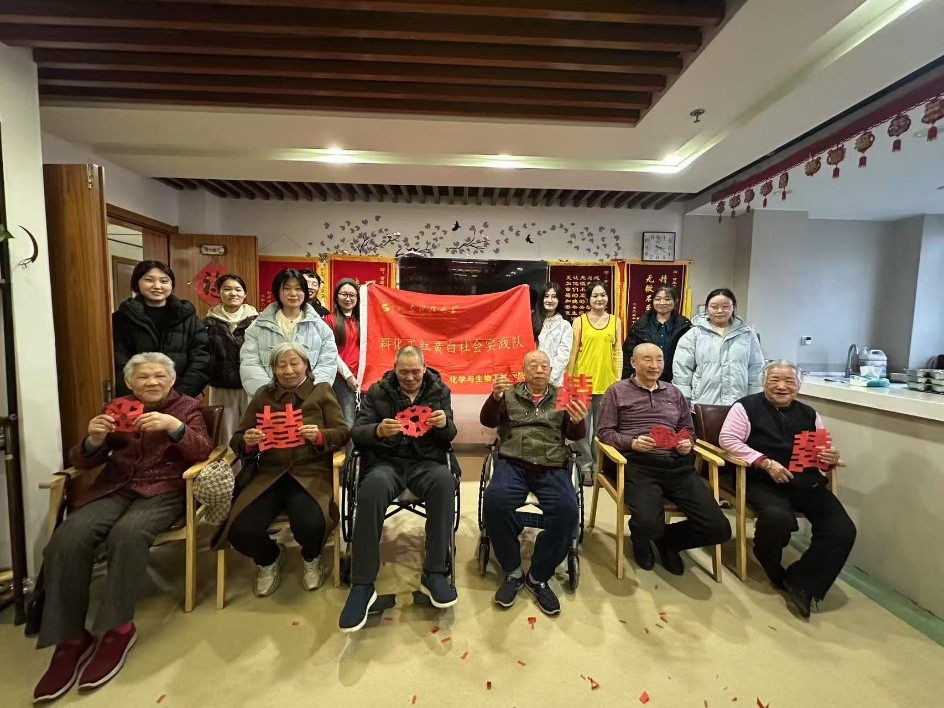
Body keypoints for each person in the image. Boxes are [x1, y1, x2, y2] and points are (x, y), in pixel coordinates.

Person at [33, 353, 212, 702]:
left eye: (159, 376)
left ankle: (119, 629)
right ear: (130, 383)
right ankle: (70, 638)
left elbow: (202, 449)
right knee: (68, 537)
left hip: (164, 490)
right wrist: (93, 440)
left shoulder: (186, 407)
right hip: (115, 488)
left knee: (127, 534)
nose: (152, 382)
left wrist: (174, 428)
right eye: (142, 377)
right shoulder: (117, 409)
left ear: (172, 380)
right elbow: (82, 460)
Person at [718, 360, 855, 619]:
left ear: (799, 386)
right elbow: (728, 440)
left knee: (842, 529)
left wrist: (828, 458)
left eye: (789, 381)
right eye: (774, 380)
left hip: (805, 480)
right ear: (764, 383)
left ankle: (802, 582)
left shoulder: (809, 414)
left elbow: (818, 453)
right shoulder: (745, 407)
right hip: (761, 478)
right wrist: (765, 462)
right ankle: (767, 555)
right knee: (778, 518)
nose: (781, 386)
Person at [214, 342, 350, 597]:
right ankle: (269, 558)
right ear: (273, 369)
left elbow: (342, 432)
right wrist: (249, 441)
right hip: (268, 474)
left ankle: (312, 557)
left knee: (311, 524)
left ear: (306, 365)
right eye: (281, 365)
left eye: (294, 363)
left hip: (310, 472)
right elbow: (238, 438)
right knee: (240, 528)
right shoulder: (263, 395)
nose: (288, 370)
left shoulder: (321, 391)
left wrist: (320, 436)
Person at [339, 346, 458, 632]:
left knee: (444, 481)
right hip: (387, 463)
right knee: (371, 489)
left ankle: (434, 572)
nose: (410, 378)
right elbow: (357, 432)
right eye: (403, 372)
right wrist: (378, 430)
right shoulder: (378, 392)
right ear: (394, 369)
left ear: (425, 368)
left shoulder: (439, 391)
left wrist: (444, 424)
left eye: (415, 371)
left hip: (425, 463)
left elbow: (449, 437)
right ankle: (362, 583)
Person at [597, 343, 731, 575]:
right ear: (633, 363)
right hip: (639, 465)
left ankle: (668, 542)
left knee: (719, 529)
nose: (654, 365)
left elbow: (688, 430)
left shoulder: (673, 392)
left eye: (659, 359)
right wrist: (631, 442)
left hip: (678, 467)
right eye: (647, 359)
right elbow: (604, 432)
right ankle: (642, 537)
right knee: (648, 522)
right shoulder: (617, 391)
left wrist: (686, 443)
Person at [480, 350, 587, 615]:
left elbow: (574, 435)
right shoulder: (509, 393)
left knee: (567, 512)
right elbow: (487, 421)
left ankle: (538, 576)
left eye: (544, 365)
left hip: (551, 464)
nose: (539, 369)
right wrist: (494, 399)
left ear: (550, 370)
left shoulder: (564, 395)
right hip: (513, 461)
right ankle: (513, 571)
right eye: (533, 365)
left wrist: (577, 422)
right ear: (524, 370)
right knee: (494, 502)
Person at [112, 260, 210, 398]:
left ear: (171, 284)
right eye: (149, 280)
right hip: (135, 398)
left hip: (181, 396)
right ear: (137, 283)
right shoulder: (121, 318)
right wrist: (140, 394)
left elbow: (202, 359)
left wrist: (179, 396)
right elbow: (118, 361)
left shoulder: (188, 318)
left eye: (164, 281)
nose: (157, 286)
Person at [240, 268, 338, 396]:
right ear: (277, 292)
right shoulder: (258, 327)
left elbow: (328, 363)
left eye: (298, 289)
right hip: (268, 399)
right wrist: (269, 394)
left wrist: (309, 392)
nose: (293, 293)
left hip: (308, 399)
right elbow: (250, 363)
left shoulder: (321, 328)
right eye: (287, 288)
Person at [566, 279, 624, 479]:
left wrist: (618, 380)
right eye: (595, 295)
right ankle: (584, 465)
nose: (599, 299)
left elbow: (618, 352)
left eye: (603, 295)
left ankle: (599, 464)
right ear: (588, 299)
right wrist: (569, 380)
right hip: (581, 380)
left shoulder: (615, 321)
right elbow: (572, 353)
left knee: (602, 427)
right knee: (580, 425)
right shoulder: (579, 321)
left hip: (607, 382)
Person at [672, 288, 764, 405]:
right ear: (707, 309)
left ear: (733, 308)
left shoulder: (747, 334)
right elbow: (682, 368)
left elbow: (756, 368)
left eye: (725, 306)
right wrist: (684, 398)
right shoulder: (694, 334)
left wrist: (755, 399)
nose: (720, 311)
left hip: (739, 403)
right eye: (714, 307)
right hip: (703, 403)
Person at [204, 274, 259, 445]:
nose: (233, 293)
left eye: (238, 289)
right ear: (219, 293)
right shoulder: (208, 323)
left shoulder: (257, 321)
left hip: (250, 384)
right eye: (227, 289)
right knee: (224, 432)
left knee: (252, 430)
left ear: (245, 294)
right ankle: (228, 463)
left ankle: (250, 462)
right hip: (221, 384)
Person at [621, 284, 691, 382]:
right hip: (644, 379)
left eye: (667, 299)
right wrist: (627, 381)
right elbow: (628, 356)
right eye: (658, 299)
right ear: (652, 301)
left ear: (676, 301)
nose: (662, 303)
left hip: (674, 380)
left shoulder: (685, 327)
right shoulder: (639, 326)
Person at [322, 278, 360, 428]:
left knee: (363, 419)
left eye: (352, 295)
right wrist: (348, 375)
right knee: (348, 421)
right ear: (336, 297)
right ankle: (348, 446)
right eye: (344, 294)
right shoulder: (328, 320)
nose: (348, 298)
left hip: (363, 377)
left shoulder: (362, 321)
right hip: (342, 378)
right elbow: (330, 352)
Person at [532, 282, 572, 387]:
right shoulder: (531, 320)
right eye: (546, 296)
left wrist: (548, 379)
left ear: (559, 300)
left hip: (554, 382)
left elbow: (563, 357)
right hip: (531, 379)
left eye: (554, 297)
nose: (550, 300)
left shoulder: (565, 325)